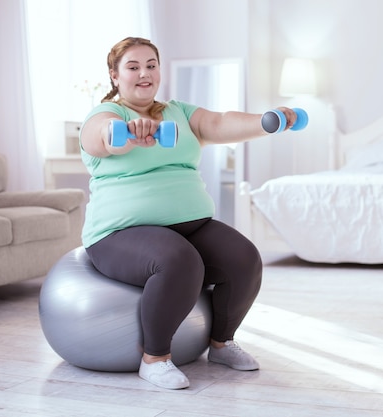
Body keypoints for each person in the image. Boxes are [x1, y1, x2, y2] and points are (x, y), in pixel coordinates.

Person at [79, 37, 300, 390]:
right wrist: (126, 134)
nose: (144, 73)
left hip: (191, 225)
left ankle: (221, 344)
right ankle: (154, 359)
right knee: (180, 261)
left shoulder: (177, 111)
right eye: (133, 67)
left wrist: (268, 121)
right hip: (121, 234)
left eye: (151, 65)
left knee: (244, 258)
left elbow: (220, 123)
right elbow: (99, 137)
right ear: (114, 76)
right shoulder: (107, 115)